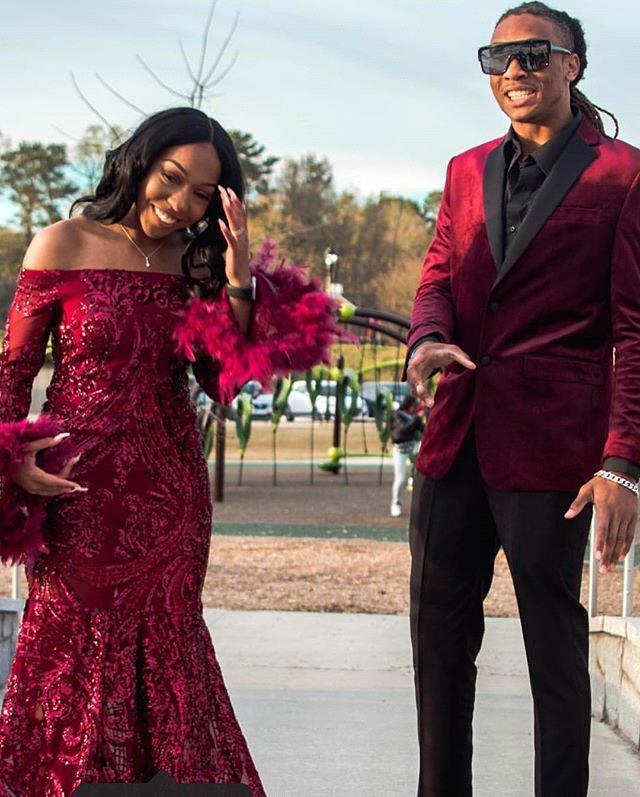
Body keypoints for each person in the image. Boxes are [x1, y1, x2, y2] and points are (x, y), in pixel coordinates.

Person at [0, 107, 339, 795]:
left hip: (169, 498)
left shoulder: (197, 262)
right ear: (139, 164)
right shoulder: (62, 243)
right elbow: (10, 374)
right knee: (71, 653)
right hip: (76, 500)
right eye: (171, 178)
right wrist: (12, 464)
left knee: (170, 650)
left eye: (199, 194)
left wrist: (238, 272)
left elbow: (226, 376)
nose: (178, 202)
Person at [404, 3, 640, 796]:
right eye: (498, 57)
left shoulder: (625, 174)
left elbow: (637, 332)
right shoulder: (464, 170)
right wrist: (426, 338)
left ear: (574, 63)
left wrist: (624, 463)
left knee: (554, 651)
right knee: (437, 643)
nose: (516, 70)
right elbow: (438, 276)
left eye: (536, 54)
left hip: (554, 449)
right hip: (454, 436)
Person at [390, 395, 424, 517]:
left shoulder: (414, 417)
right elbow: (403, 430)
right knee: (399, 479)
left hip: (412, 446)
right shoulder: (397, 415)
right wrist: (417, 418)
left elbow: (422, 430)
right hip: (400, 449)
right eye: (414, 405)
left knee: (421, 465)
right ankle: (396, 503)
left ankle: (412, 477)